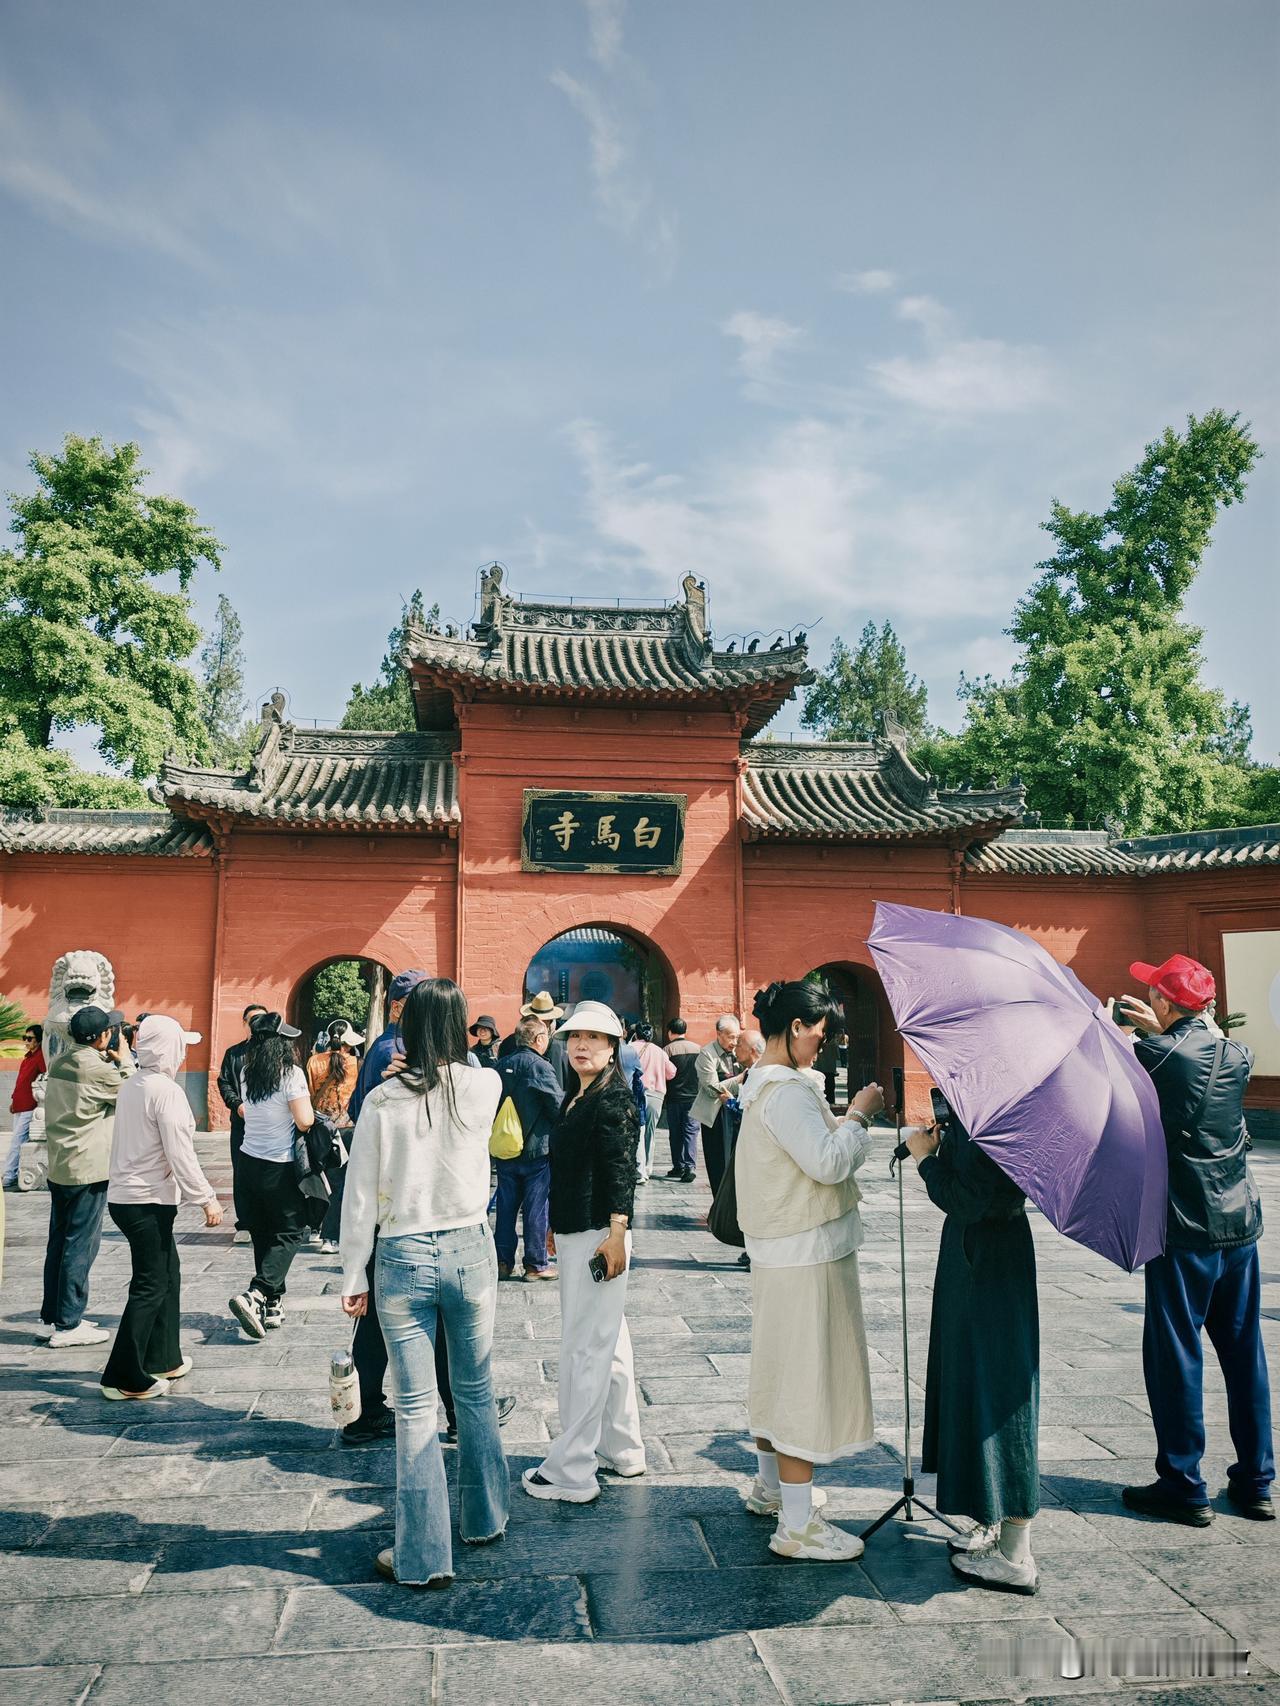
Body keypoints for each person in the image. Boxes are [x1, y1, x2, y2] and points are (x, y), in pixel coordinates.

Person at [340, 977, 509, 1587]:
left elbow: (359, 1196)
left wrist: (353, 1273)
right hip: (470, 1247)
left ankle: (423, 1555)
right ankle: (485, 1517)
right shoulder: (484, 1085)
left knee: (414, 1408)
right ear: (460, 1027)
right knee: (474, 1390)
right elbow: (476, 1068)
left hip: (402, 1252)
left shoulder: (383, 1103)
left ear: (407, 1030)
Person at [1116, 952, 1274, 1526]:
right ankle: (1256, 1481)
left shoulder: (1153, 1054)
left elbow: (1150, 1069)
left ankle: (1183, 1483)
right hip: (1241, 1222)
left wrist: (1135, 1031)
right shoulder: (1239, 1052)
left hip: (1185, 1228)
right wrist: (1167, 1029)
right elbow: (1195, 1055)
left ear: (1162, 1001)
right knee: (1243, 1354)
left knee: (1177, 1352)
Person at [735, 980, 882, 1562]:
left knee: (776, 1368)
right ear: (797, 1027)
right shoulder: (788, 1091)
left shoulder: (759, 1086)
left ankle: (772, 1489)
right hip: (805, 1249)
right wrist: (859, 1118)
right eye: (822, 1035)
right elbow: (825, 1162)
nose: (824, 1046)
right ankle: (796, 1524)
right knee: (799, 1379)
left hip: (782, 1246)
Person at [905, 1103, 1041, 1593]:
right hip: (976, 1252)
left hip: (990, 1255)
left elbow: (969, 1197)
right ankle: (990, 1513)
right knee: (969, 1379)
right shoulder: (985, 1103)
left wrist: (926, 1159)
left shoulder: (1003, 1109)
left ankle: (1015, 1553)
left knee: (999, 1391)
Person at [523, 1000, 645, 1504]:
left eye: (593, 1039)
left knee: (584, 1349)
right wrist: (556, 1224)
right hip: (580, 1232)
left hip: (599, 1236)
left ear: (613, 1046)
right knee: (608, 1343)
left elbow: (621, 1170)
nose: (581, 1046)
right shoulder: (581, 1095)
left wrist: (616, 1232)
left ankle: (573, 1469)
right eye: (574, 1038)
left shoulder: (612, 1099)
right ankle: (624, 1449)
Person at [100, 1016, 223, 1400]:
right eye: (180, 1045)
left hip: (128, 1198)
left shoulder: (133, 1084)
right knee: (151, 1284)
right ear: (168, 1049)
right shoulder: (166, 1092)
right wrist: (205, 1197)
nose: (184, 1052)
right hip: (146, 1201)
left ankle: (163, 1356)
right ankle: (123, 1375)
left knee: (168, 1272)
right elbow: (180, 1151)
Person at [39, 1004, 135, 1347]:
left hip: (61, 1163)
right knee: (81, 1244)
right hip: (88, 1167)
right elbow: (131, 1091)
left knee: (59, 1240)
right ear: (103, 1036)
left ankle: (53, 1314)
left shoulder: (62, 1061)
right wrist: (124, 1058)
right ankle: (68, 1323)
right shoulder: (97, 1069)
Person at [227, 1011, 315, 1340]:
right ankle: (258, 1293)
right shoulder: (290, 1074)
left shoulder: (248, 1071)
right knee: (291, 1232)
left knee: (264, 1233)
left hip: (249, 1162)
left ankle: (272, 1304)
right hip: (279, 1165)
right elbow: (304, 1120)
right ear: (279, 1043)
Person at [493, 1017, 562, 1280]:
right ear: (539, 1040)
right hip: (536, 1149)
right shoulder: (540, 1067)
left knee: (506, 1207)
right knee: (536, 1207)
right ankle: (535, 1264)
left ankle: (502, 1261)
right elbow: (556, 1107)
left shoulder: (501, 1065)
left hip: (505, 1148)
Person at [307, 1018, 364, 1255]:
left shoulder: (314, 1062)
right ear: (348, 1043)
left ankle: (314, 1228)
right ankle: (331, 1236)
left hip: (319, 1126)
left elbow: (310, 1092)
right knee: (340, 1182)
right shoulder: (355, 1063)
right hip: (346, 1128)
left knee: (318, 1177)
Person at [217, 1002, 267, 1246]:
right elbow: (224, 1082)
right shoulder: (234, 1053)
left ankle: (269, 1219)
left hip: (270, 1125)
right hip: (242, 1123)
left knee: (270, 1171)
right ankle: (245, 1222)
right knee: (242, 1172)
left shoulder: (274, 1051)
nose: (257, 1024)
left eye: (262, 1019)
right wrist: (236, 1104)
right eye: (253, 1020)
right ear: (245, 1024)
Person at [692, 1014, 741, 1196]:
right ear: (719, 1034)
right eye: (730, 1037)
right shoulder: (707, 1054)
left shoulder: (738, 1052)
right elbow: (713, 1087)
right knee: (718, 1162)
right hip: (715, 1115)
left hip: (736, 1110)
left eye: (737, 1037)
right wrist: (740, 1079)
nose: (734, 1042)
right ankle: (719, 1206)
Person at [631, 1021, 676, 1185]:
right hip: (656, 1093)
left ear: (636, 1034)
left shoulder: (630, 1048)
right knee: (650, 1131)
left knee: (636, 1129)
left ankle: (637, 1166)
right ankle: (648, 1167)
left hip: (635, 1093)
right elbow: (671, 1073)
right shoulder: (659, 1051)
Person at [3, 1023, 45, 1189]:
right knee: (17, 1141)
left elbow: (44, 1078)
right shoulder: (28, 1058)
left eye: (30, 1038)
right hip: (19, 1106)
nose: (26, 1041)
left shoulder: (40, 1057)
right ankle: (14, 1174)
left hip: (30, 1108)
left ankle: (8, 1176)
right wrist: (13, 1101)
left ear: (39, 1040)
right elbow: (21, 1082)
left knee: (16, 1142)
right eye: (24, 1038)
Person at [663, 1018, 700, 1182]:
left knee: (676, 1132)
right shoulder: (698, 1049)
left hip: (674, 1098)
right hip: (694, 1097)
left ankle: (678, 1166)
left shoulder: (667, 1050)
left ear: (670, 1032)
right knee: (691, 1132)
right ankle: (689, 1166)